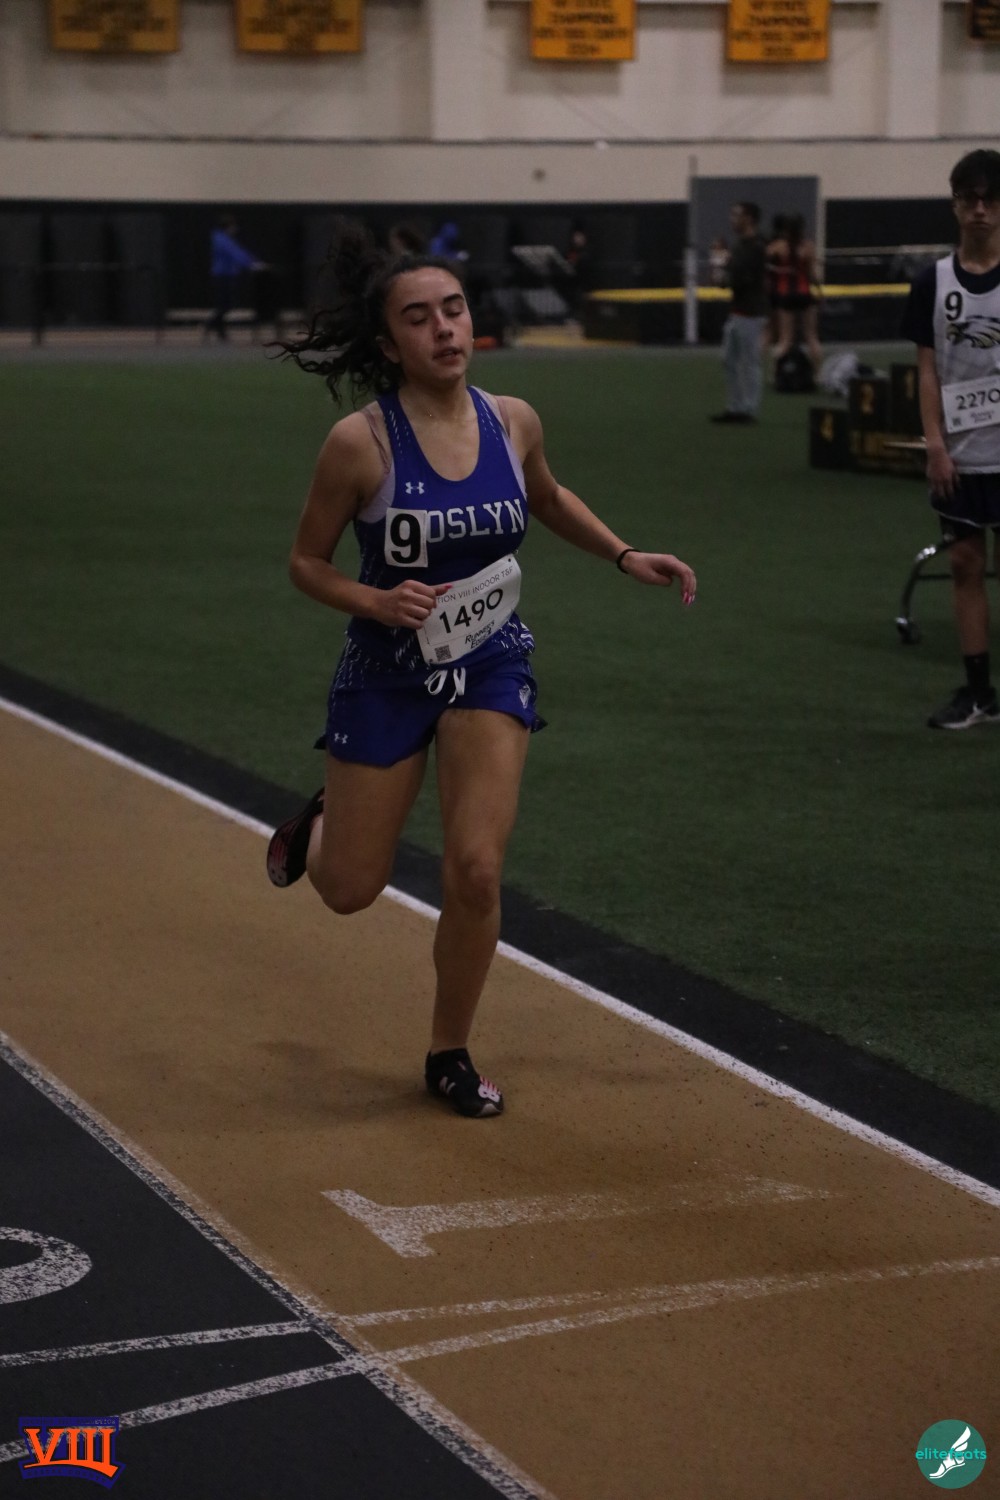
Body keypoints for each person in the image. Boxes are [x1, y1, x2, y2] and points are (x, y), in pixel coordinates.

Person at [265, 221, 697, 1118]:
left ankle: (449, 1053)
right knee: (348, 889)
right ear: (390, 344)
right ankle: (323, 822)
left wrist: (625, 554)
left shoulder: (512, 420)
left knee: (476, 871)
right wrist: (375, 599)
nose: (444, 329)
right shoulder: (361, 443)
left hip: (491, 659)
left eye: (454, 309)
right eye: (419, 318)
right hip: (386, 669)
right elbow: (306, 562)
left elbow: (548, 497)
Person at [901, 148, 1000, 730]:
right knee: (965, 564)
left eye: (990, 199)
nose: (980, 210)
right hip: (961, 454)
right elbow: (927, 370)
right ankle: (978, 691)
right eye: (970, 199)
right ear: (955, 206)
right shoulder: (932, 282)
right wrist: (934, 444)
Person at [709, 201, 768, 425]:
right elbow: (727, 277)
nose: (732, 219)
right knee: (728, 360)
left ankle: (748, 410)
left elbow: (740, 278)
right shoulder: (739, 246)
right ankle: (735, 406)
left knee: (750, 362)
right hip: (737, 311)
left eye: (736, 215)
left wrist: (725, 276)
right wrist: (720, 267)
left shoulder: (756, 246)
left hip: (751, 312)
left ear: (749, 219)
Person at [768, 213, 822, 375]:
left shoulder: (778, 246)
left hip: (785, 294)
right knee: (811, 337)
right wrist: (819, 292)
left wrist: (776, 270)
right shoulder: (808, 247)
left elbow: (763, 260)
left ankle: (775, 373)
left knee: (785, 339)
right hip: (804, 293)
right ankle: (817, 373)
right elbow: (812, 275)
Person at [206, 215, 265, 342]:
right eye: (233, 227)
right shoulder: (221, 239)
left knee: (225, 305)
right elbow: (235, 253)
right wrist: (252, 263)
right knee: (224, 305)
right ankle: (211, 325)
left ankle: (218, 329)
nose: (235, 229)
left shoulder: (225, 239)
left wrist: (253, 261)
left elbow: (238, 252)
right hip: (222, 275)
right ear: (228, 226)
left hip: (227, 275)